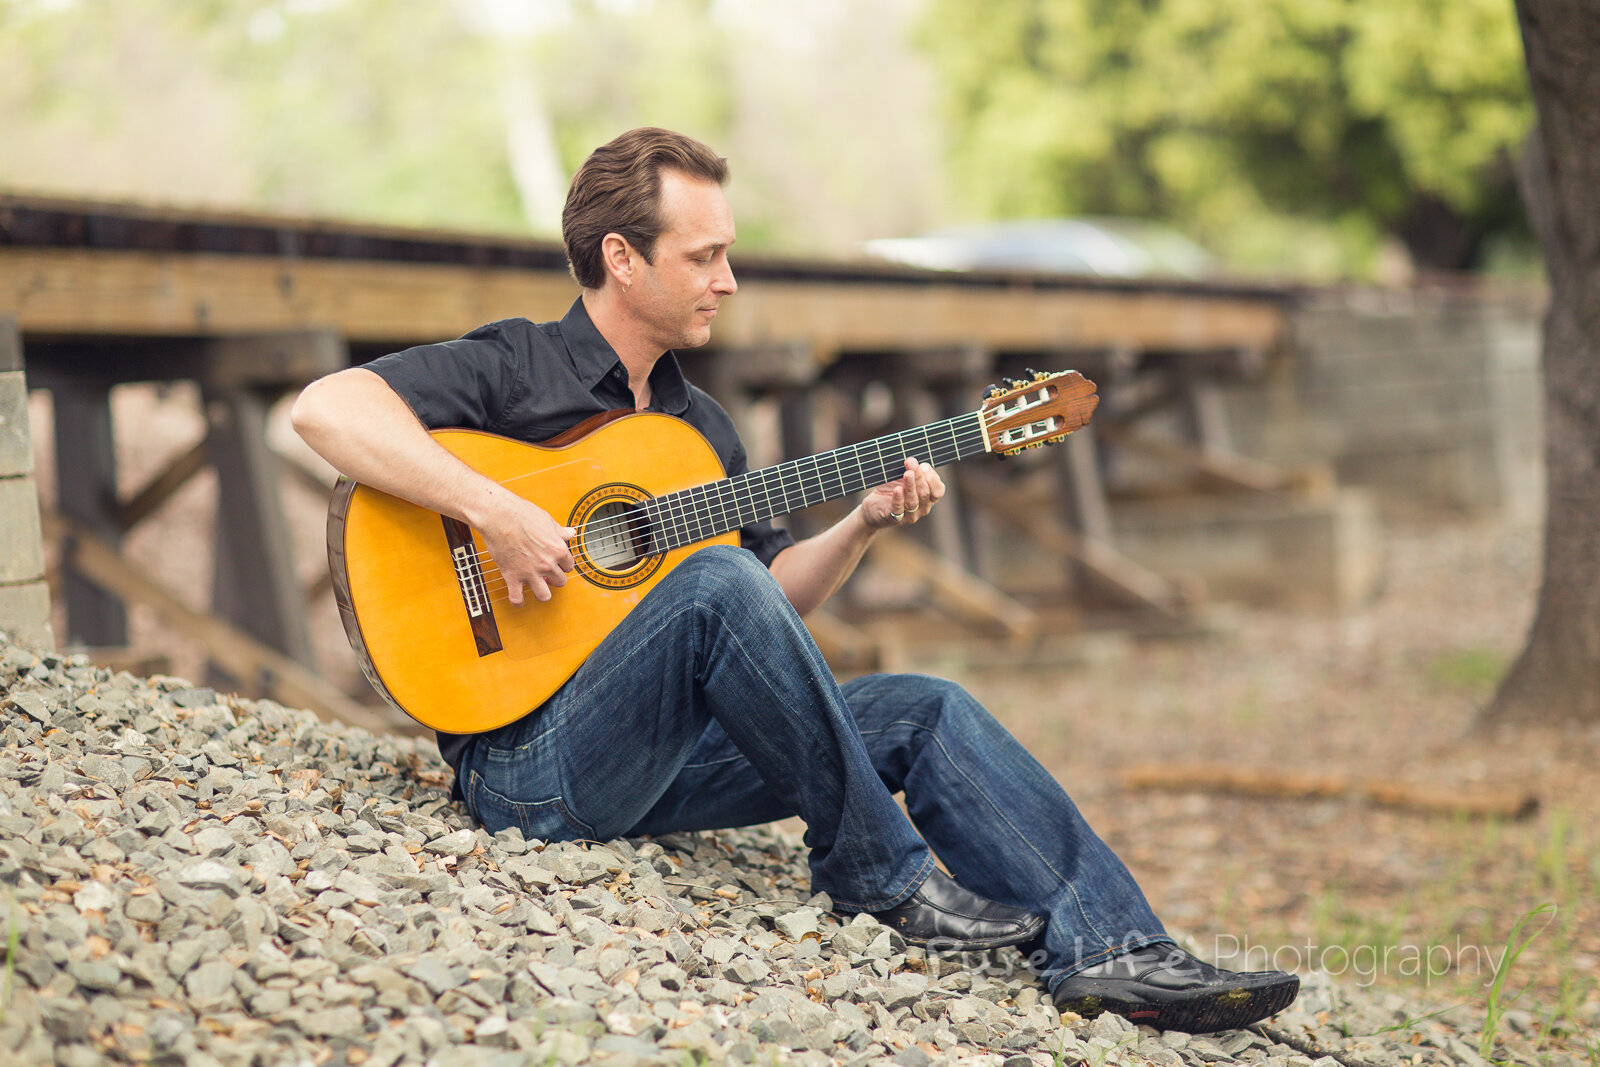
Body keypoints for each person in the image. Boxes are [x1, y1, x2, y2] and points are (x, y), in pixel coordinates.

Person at [290, 127, 1298, 1034]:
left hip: (657, 762)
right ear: (620, 258)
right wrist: (495, 509)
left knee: (925, 706)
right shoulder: (517, 366)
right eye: (705, 256)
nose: (727, 280)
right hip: (529, 770)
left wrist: (858, 526)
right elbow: (327, 409)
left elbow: (768, 609)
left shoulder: (700, 431)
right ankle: (878, 873)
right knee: (718, 578)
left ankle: (1114, 952)